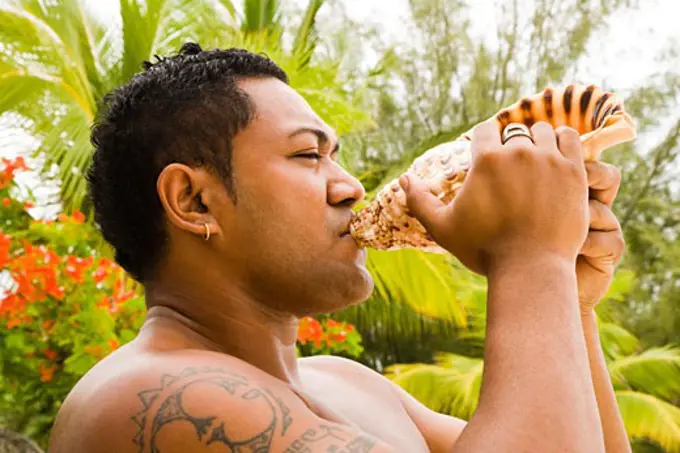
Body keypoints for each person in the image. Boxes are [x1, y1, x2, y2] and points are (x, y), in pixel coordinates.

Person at [48, 43, 630, 453]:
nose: (350, 186)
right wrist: (529, 260)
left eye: (336, 155)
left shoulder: (347, 383)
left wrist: (570, 306)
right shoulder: (148, 397)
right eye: (308, 155)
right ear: (194, 201)